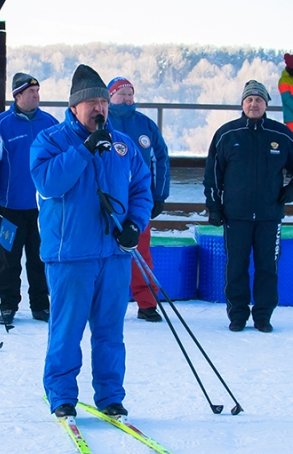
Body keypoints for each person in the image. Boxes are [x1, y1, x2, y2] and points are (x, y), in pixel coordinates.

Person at [32, 64, 152, 419]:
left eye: (103, 101)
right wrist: (84, 150)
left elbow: (140, 189)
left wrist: (134, 224)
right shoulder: (51, 140)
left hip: (114, 254)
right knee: (66, 331)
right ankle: (62, 396)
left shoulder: (123, 145)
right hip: (70, 255)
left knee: (110, 332)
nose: (99, 108)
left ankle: (111, 396)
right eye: (92, 103)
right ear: (74, 108)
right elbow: (48, 184)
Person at [203, 80, 293, 333]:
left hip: (269, 214)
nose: (254, 104)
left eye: (259, 100)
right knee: (236, 267)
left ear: (266, 104)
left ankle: (263, 315)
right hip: (236, 214)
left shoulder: (280, 134)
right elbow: (213, 174)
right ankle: (238, 316)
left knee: (267, 267)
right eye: (249, 100)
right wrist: (214, 207)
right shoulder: (227, 134)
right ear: (243, 104)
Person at [0, 72, 57, 325]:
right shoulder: (1, 124)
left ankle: (40, 305)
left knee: (39, 256)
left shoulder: (50, 123)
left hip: (42, 206)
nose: (36, 96)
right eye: (31, 92)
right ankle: (8, 304)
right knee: (8, 258)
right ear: (18, 95)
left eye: (38, 92)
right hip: (9, 207)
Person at [106, 76, 170, 322]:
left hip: (138, 201)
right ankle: (107, 303)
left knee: (141, 252)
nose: (127, 98)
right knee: (106, 254)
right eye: (122, 94)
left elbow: (161, 159)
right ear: (111, 96)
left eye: (130, 94)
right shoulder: (103, 121)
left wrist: (159, 195)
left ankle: (146, 303)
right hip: (109, 201)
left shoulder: (145, 124)